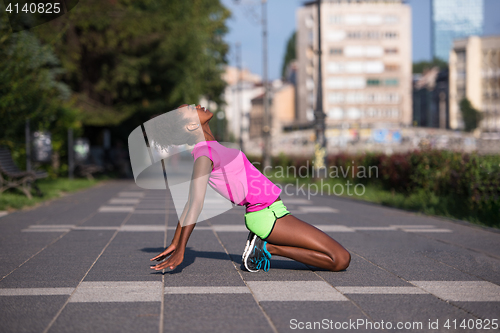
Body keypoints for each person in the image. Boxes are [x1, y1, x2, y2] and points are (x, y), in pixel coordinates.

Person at [149, 104, 350, 272]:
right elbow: (194, 202)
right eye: (192, 109)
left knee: (338, 257)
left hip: (274, 211)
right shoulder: (204, 155)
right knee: (340, 259)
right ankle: (269, 247)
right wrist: (181, 249)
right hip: (266, 216)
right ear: (192, 125)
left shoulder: (212, 146)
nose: (198, 106)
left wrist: (176, 241)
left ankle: (268, 247)